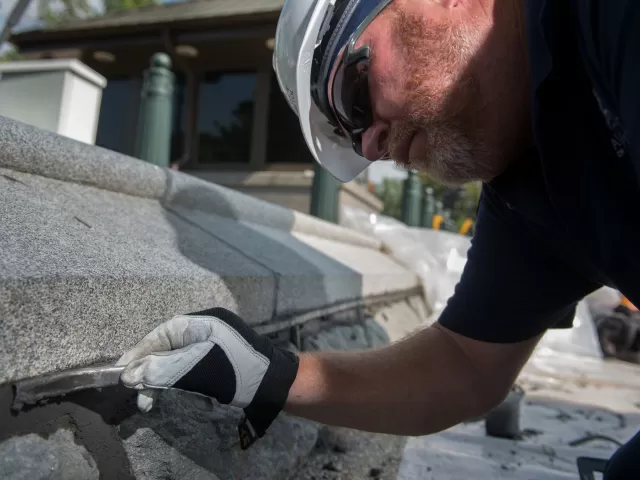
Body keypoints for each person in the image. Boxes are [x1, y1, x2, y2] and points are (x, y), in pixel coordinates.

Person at [117, 0, 640, 477]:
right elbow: (465, 365)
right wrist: (270, 375)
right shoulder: (527, 189)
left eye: (353, 97)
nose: (370, 147)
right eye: (350, 136)